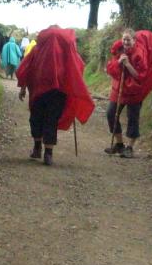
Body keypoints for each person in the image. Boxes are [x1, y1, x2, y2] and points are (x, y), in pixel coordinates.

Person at [16, 26, 94, 166]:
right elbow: (77, 68)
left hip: (44, 92)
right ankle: (45, 152)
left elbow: (26, 68)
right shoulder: (63, 51)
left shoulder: (41, 49)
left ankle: (41, 149)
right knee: (48, 119)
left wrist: (22, 87)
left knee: (38, 119)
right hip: (53, 92)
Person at [104, 28, 147, 158]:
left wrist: (128, 64)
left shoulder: (140, 53)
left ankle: (130, 147)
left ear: (134, 40)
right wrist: (118, 62)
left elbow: (140, 76)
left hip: (134, 91)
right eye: (124, 39)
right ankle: (119, 144)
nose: (125, 42)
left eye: (128, 39)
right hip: (119, 89)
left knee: (133, 118)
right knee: (111, 113)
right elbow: (110, 70)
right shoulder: (119, 50)